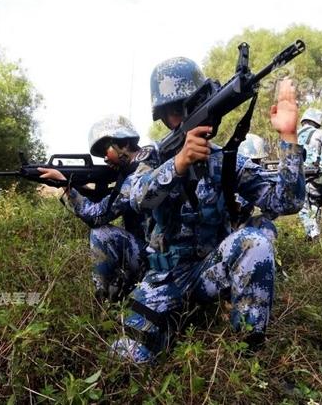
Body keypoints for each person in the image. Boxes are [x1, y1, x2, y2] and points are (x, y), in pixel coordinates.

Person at [110, 56, 305, 363]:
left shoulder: (225, 159)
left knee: (256, 242)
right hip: (164, 277)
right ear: (163, 117)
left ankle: (246, 353)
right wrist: (177, 164)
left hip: (209, 272)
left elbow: (286, 202)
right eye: (173, 111)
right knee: (131, 358)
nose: (182, 117)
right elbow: (135, 197)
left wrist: (288, 138)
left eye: (190, 105)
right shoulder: (152, 156)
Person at [38, 115, 150, 302]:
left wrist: (67, 187)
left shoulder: (138, 174)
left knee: (101, 233)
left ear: (123, 142)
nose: (105, 158)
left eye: (105, 150)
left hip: (159, 258)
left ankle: (103, 301)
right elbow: (107, 199)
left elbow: (97, 216)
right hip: (152, 248)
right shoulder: (138, 165)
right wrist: (79, 187)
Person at [296, 108, 322, 240]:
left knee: (303, 206)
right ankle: (314, 234)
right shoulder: (320, 133)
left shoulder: (294, 133)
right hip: (316, 174)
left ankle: (311, 234)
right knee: (315, 205)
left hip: (298, 174)